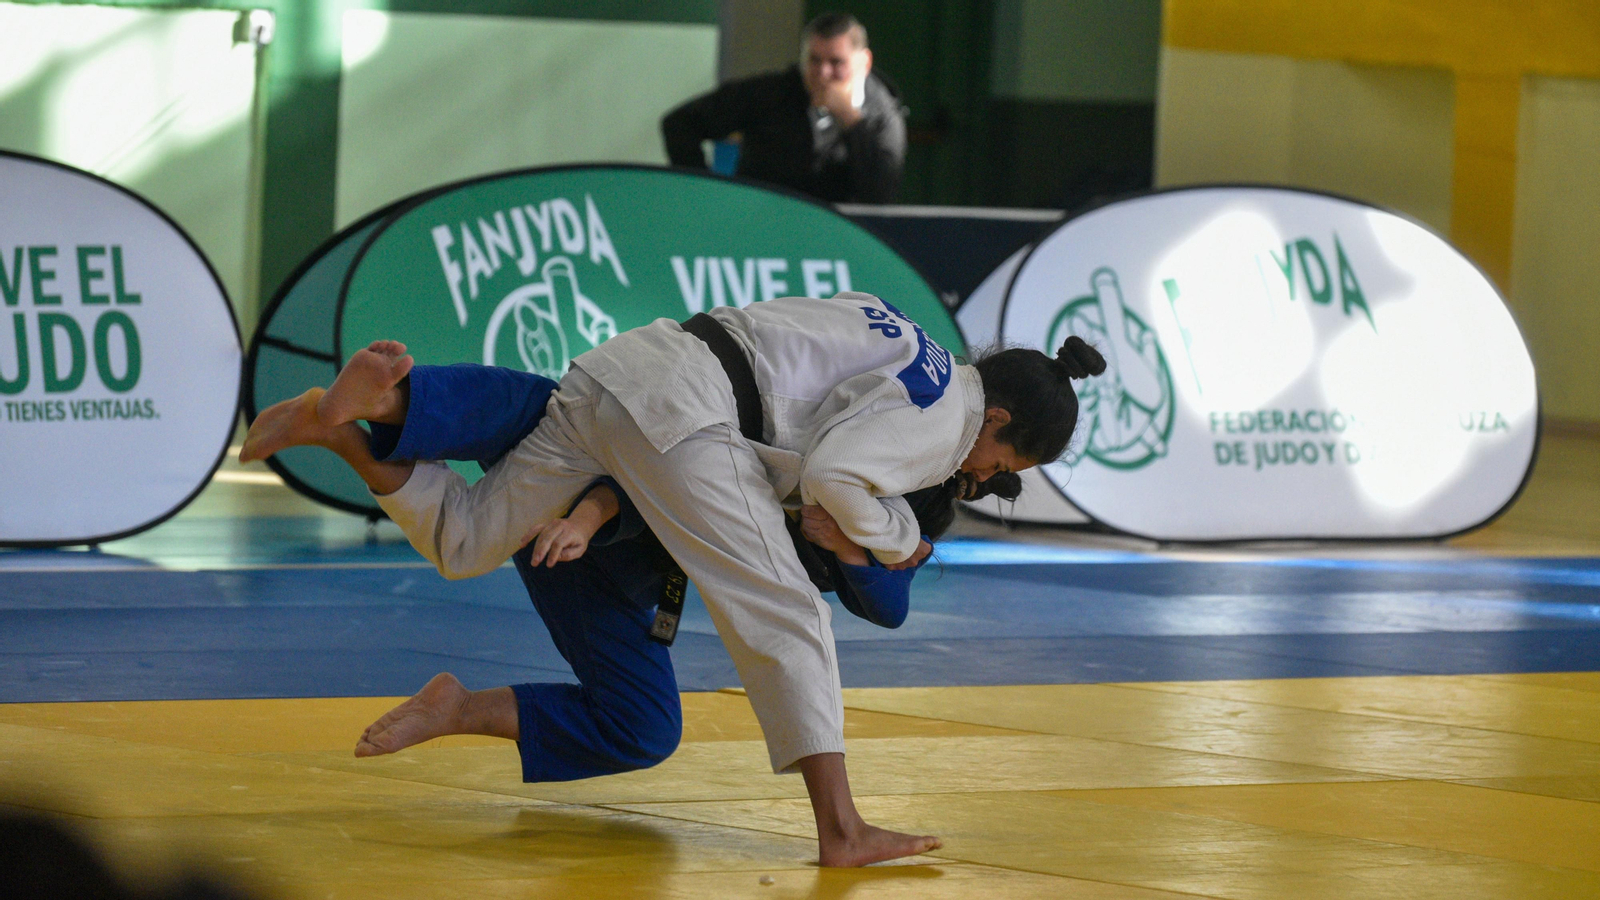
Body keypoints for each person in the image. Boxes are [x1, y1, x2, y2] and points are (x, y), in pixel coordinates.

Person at [241, 291, 1104, 866]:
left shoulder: (900, 331)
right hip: (690, 414)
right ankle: (842, 830)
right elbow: (840, 476)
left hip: (628, 369)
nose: (982, 474)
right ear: (996, 419)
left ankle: (341, 427)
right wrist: (881, 532)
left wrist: (864, 528)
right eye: (999, 459)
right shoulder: (946, 417)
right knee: (790, 615)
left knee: (465, 539)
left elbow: (815, 424)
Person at [274, 359, 1018, 786]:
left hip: (615, 564)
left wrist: (859, 547)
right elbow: (656, 463)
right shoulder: (821, 444)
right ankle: (389, 401)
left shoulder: (891, 520)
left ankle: (459, 708)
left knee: (645, 728)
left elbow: (890, 607)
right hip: (601, 482)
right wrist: (588, 518)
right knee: (544, 409)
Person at [661, 12, 906, 203]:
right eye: (814, 60)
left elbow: (880, 194)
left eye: (836, 62)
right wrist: (704, 193)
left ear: (864, 62)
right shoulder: (772, 93)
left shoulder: (883, 115)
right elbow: (680, 124)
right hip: (760, 227)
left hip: (838, 238)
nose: (823, 73)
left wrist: (851, 122)